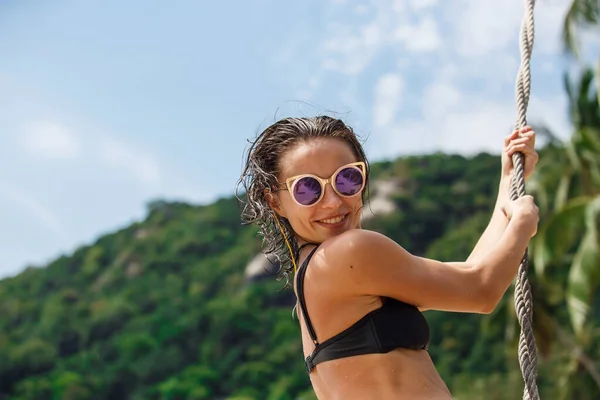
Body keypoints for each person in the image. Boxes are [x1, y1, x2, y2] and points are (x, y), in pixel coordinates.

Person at [237, 115, 539, 400]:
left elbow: (470, 272)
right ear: (274, 200)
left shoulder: (316, 279)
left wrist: (508, 183)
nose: (332, 202)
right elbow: (480, 290)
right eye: (307, 188)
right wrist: (523, 224)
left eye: (347, 179)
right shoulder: (350, 252)